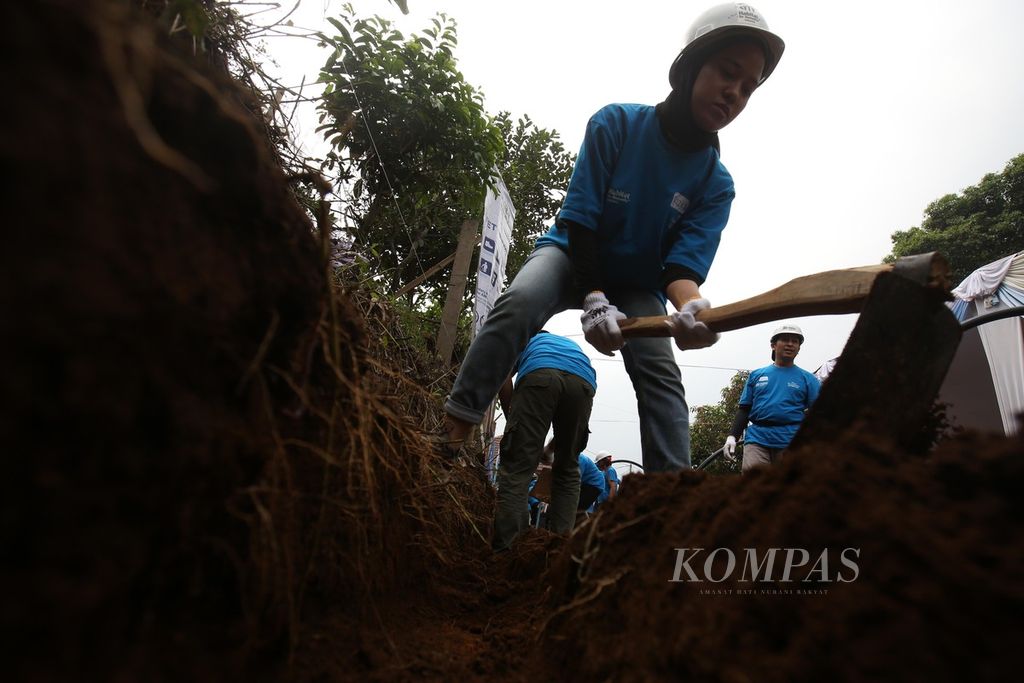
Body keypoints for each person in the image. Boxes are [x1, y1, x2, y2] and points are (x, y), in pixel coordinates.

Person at [437, 3, 785, 472]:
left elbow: (680, 269)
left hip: (638, 284)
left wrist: (691, 308)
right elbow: (581, 221)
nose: (735, 94)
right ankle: (451, 433)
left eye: (748, 89)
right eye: (728, 72)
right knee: (518, 304)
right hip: (570, 254)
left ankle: (671, 498)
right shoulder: (616, 124)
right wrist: (594, 297)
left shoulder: (715, 183)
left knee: (660, 372)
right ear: (689, 67)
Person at [491, 331, 596, 551]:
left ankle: (509, 554)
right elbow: (567, 426)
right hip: (583, 384)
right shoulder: (568, 346)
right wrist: (549, 449)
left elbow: (502, 377)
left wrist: (515, 422)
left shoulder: (526, 340)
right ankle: (560, 552)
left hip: (539, 376)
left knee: (518, 468)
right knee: (568, 470)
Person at [723, 324, 821, 472]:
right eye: (785, 340)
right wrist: (732, 437)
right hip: (757, 440)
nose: (790, 344)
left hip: (791, 441)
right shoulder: (757, 375)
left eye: (795, 341)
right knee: (753, 487)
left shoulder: (808, 379)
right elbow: (744, 409)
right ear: (773, 345)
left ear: (799, 348)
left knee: (788, 489)